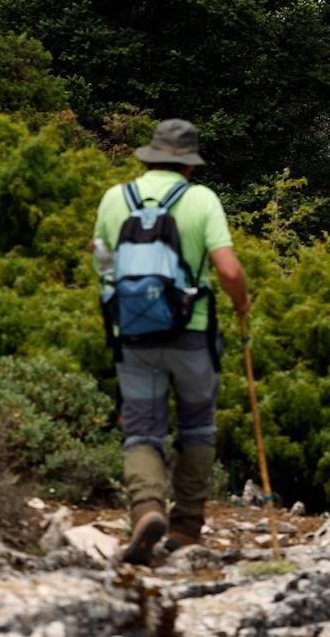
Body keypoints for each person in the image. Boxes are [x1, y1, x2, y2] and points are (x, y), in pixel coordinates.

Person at [93, 117, 250, 565]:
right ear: (188, 165)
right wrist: (242, 304)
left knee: (142, 429)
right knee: (197, 428)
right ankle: (185, 528)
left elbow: (102, 261)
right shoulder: (201, 200)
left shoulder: (113, 198)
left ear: (151, 156)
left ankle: (145, 510)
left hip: (134, 334)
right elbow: (229, 270)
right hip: (191, 334)